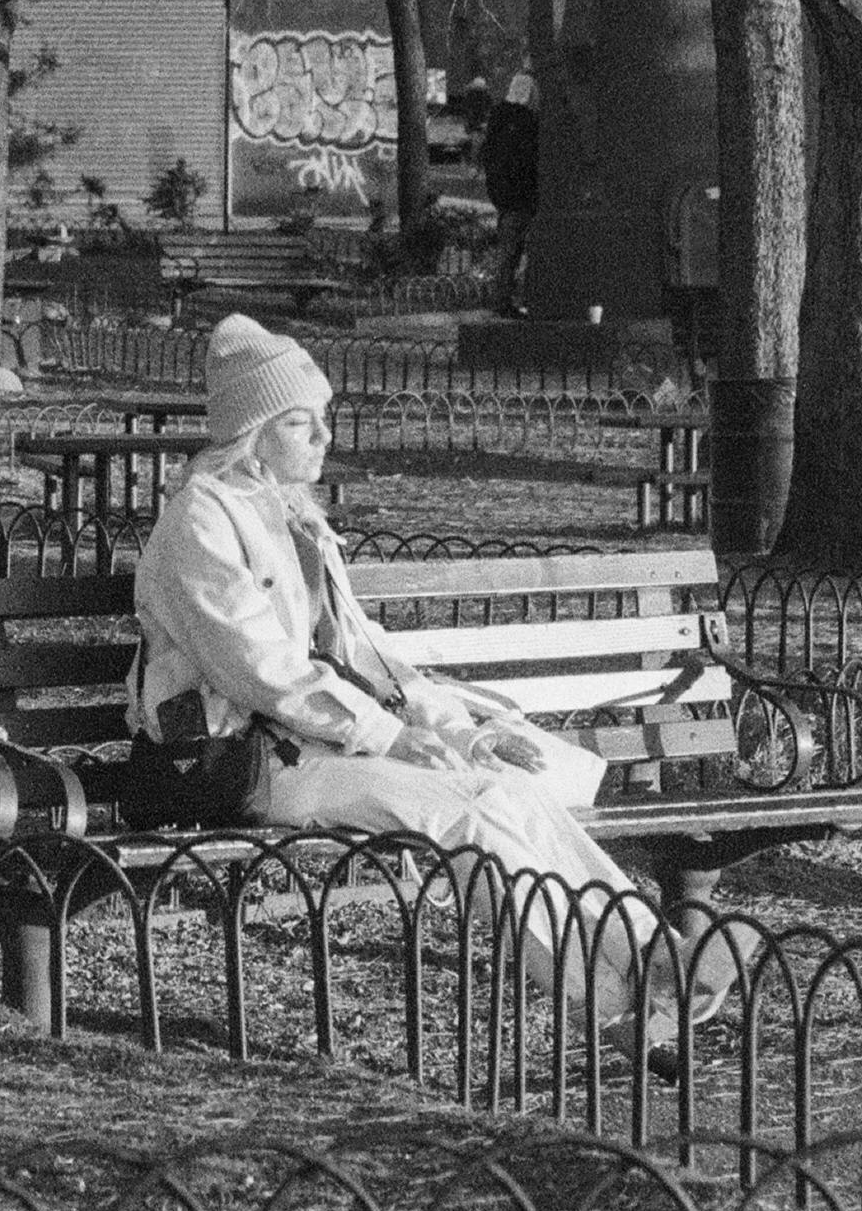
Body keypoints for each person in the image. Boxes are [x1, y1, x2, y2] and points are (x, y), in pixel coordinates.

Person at [127, 313, 734, 1042]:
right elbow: (259, 668)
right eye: (299, 423)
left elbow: (367, 656)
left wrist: (460, 732)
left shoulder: (295, 517)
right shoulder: (201, 522)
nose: (324, 437)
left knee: (509, 790)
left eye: (323, 418)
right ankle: (609, 1001)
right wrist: (390, 736)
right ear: (247, 435)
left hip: (318, 745)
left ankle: (649, 955)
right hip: (245, 757)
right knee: (462, 817)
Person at [482, 67, 541, 315]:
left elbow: (489, 155)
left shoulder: (499, 119)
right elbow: (530, 158)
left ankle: (501, 299)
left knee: (508, 252)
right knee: (532, 251)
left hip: (504, 196)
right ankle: (526, 299)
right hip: (526, 194)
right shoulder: (529, 122)